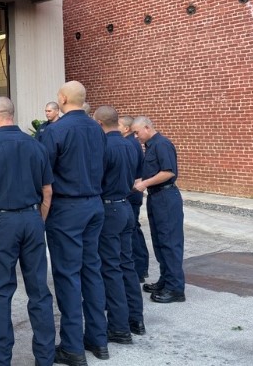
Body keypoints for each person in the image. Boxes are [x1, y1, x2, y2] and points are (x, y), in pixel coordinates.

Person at [0, 97, 55, 366]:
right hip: (31, 218)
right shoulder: (36, 145)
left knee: (1, 292)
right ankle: (45, 357)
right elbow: (47, 191)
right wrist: (38, 220)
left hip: (2, 223)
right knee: (39, 290)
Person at [38, 81, 108, 365]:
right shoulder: (97, 128)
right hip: (94, 204)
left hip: (67, 208)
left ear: (63, 99)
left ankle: (72, 347)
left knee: (68, 275)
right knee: (91, 269)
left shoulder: (55, 130)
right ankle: (98, 339)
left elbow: (43, 176)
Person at [93, 106, 145, 344]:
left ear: (100, 122)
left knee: (111, 267)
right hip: (125, 205)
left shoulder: (104, 146)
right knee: (127, 264)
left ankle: (119, 326)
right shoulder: (130, 144)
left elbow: (97, 178)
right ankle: (136, 319)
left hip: (110, 208)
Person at [131, 116, 185, 304]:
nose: (136, 136)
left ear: (147, 127)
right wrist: (141, 180)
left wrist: (144, 183)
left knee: (170, 242)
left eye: (137, 132)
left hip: (166, 197)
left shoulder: (162, 144)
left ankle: (176, 288)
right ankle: (166, 280)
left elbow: (169, 172)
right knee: (160, 241)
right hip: (156, 197)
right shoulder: (151, 146)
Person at [119, 115, 148, 282]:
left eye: (119, 125)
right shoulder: (132, 143)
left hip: (131, 192)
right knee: (134, 229)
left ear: (126, 128)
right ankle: (141, 267)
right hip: (133, 192)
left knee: (132, 232)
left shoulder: (129, 143)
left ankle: (138, 268)